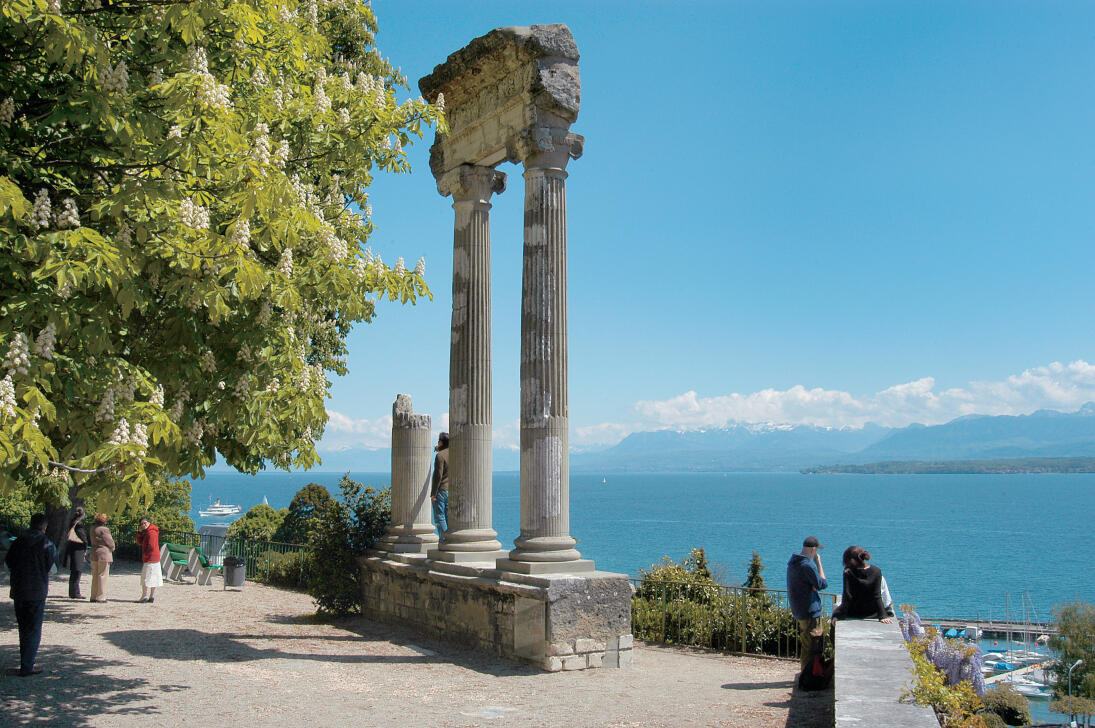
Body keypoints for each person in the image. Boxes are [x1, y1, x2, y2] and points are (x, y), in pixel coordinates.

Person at [5, 513, 57, 676]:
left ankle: (25, 661)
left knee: (23, 627)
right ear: (44, 526)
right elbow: (52, 567)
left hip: (19, 588)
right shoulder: (47, 543)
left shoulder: (19, 541)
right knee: (33, 628)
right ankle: (28, 664)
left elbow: (8, 563)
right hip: (37, 589)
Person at [786, 536, 828, 670]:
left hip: (799, 610)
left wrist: (813, 585)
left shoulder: (793, 563)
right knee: (813, 646)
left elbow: (815, 585)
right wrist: (819, 563)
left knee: (806, 644)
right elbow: (822, 584)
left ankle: (806, 674)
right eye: (816, 551)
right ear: (813, 549)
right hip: (810, 611)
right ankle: (809, 676)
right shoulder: (807, 565)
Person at [832, 545, 892, 623]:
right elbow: (877, 595)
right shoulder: (876, 571)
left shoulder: (848, 572)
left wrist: (838, 615)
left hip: (853, 612)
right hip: (872, 613)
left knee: (835, 613)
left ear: (852, 560)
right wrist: (883, 616)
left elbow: (847, 596)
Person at [88, 513, 115, 603]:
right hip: (103, 553)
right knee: (102, 575)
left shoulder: (92, 529)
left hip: (94, 552)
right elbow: (109, 541)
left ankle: (93, 595)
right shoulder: (104, 529)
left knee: (95, 575)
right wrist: (112, 548)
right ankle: (101, 596)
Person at [63, 507, 89, 599]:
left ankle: (72, 591)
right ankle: (76, 592)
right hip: (78, 549)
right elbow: (83, 537)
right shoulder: (79, 524)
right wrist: (86, 545)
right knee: (77, 571)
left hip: (72, 547)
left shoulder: (72, 522)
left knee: (74, 571)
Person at [135, 517, 162, 603]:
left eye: (145, 523)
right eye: (142, 524)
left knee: (146, 577)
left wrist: (146, 554)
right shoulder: (147, 532)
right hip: (153, 558)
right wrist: (139, 532)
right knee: (153, 577)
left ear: (149, 523)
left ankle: (145, 596)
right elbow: (139, 542)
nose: (143, 525)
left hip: (151, 558)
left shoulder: (151, 533)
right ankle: (151, 596)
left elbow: (151, 546)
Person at [430, 432, 450, 539]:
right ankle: (450, 538)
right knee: (447, 516)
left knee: (439, 517)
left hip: (441, 489)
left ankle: (443, 539)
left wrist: (433, 493)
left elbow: (438, 475)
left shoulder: (440, 456)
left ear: (441, 442)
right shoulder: (454, 454)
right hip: (450, 490)